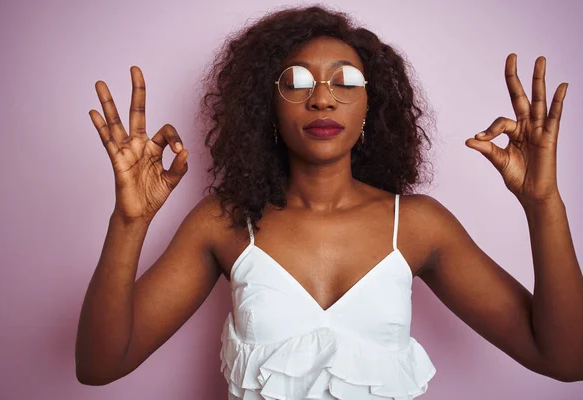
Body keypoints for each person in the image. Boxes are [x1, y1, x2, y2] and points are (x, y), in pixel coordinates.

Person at [75, 4, 583, 399]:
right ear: (266, 106)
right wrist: (129, 220)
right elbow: (100, 366)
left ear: (370, 106)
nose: (322, 97)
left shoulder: (418, 225)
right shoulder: (224, 223)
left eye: (346, 81)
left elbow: (565, 358)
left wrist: (544, 204)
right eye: (296, 81)